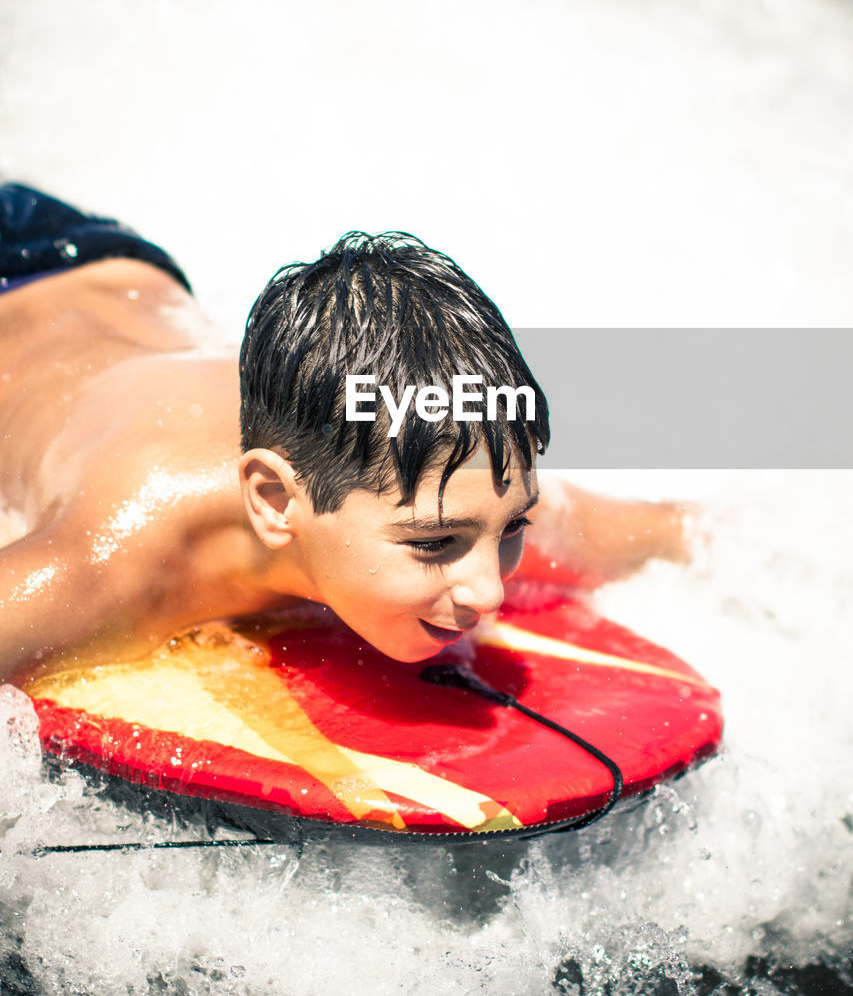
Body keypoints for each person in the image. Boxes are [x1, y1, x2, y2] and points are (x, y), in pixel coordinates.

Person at [0, 183, 690, 687]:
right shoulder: (112, 565)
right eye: (432, 544)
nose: (489, 591)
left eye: (513, 528)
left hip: (109, 267)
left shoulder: (460, 486)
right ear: (274, 500)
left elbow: (683, 536)